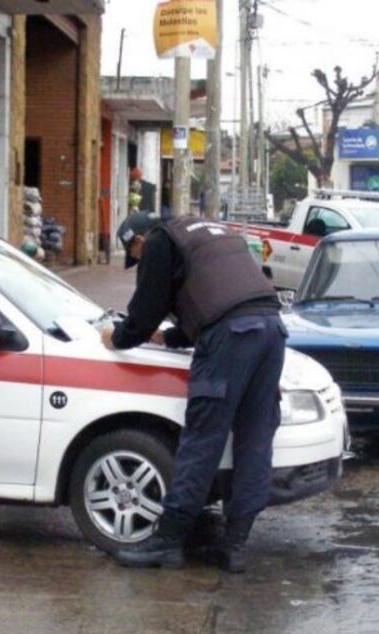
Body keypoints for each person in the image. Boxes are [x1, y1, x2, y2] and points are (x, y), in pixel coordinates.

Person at [101, 212, 285, 573]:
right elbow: (222, 300)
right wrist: (169, 337)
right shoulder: (209, 232)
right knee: (255, 440)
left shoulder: (158, 240)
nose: (139, 261)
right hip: (272, 330)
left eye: (135, 256)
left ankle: (167, 543)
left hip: (230, 337)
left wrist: (117, 337)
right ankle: (234, 546)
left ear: (138, 240)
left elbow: (145, 311)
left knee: (202, 438)